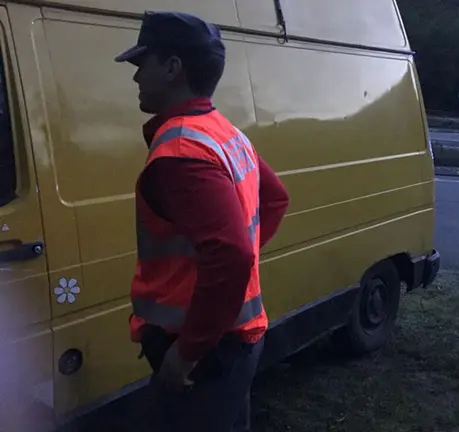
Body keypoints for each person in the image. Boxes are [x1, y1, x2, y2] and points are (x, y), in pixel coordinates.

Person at [115, 10, 290, 431]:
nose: (136, 77)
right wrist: (216, 276)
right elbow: (275, 201)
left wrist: (186, 352)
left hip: (204, 354)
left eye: (143, 64)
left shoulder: (180, 153)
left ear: (173, 67)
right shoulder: (222, 130)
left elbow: (230, 253)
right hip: (236, 341)